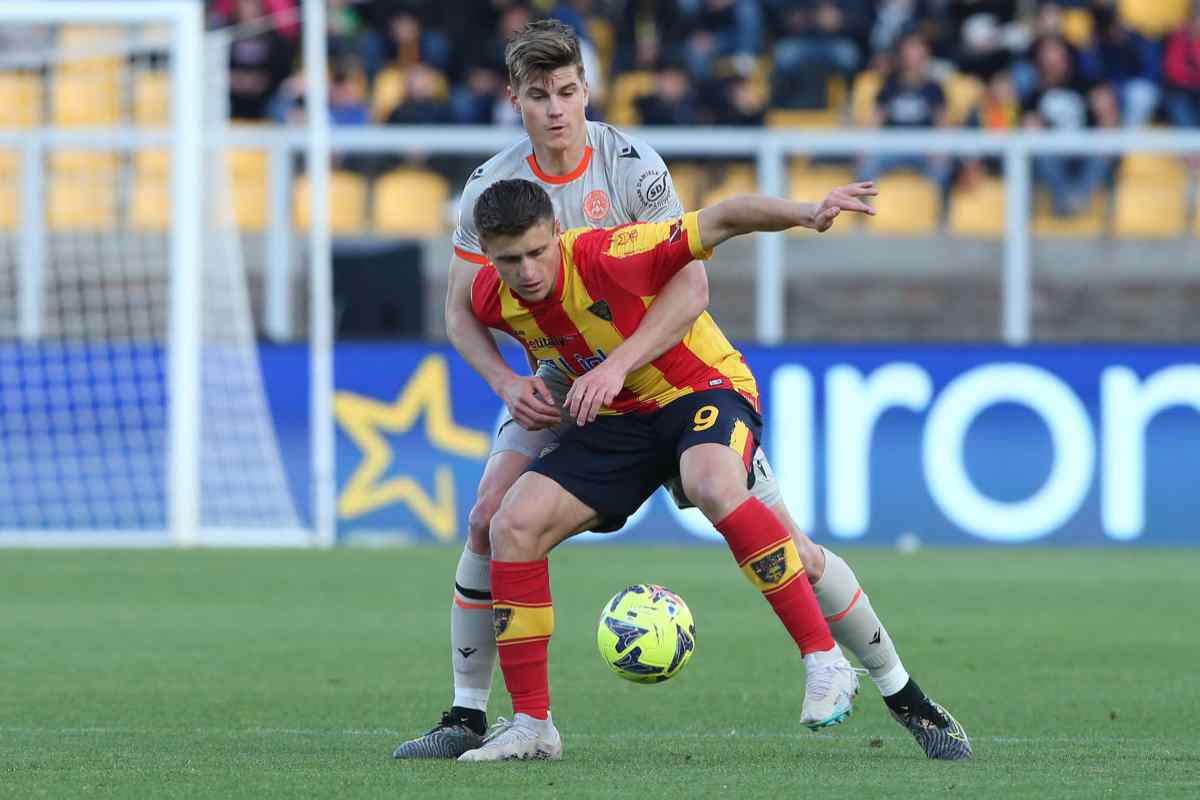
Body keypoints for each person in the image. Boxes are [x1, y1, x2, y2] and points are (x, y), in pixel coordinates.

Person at [393, 18, 971, 763]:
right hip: (569, 383)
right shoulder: (493, 191)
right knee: (492, 522)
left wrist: (618, 362)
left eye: (568, 92)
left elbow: (691, 282)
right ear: (516, 100)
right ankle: (473, 717)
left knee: (785, 542)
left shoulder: (630, 170)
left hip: (671, 374)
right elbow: (461, 307)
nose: (557, 109)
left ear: (586, 90)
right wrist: (508, 382)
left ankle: (904, 695)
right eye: (540, 96)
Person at [452, 177, 954, 763]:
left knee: (718, 487)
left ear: (557, 235)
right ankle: (532, 725)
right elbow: (461, 315)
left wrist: (807, 212)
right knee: (512, 524)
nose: (529, 271)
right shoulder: (492, 294)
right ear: (488, 256)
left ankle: (825, 661)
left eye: (538, 252)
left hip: (700, 390)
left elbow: (722, 218)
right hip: (621, 420)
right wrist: (507, 381)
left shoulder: (606, 254)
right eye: (511, 260)